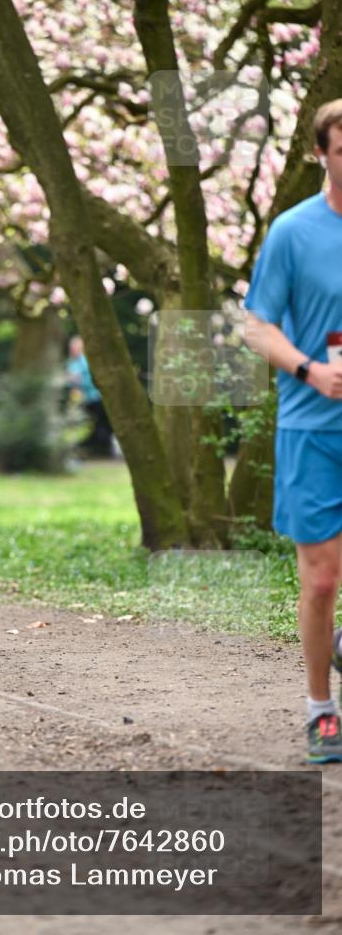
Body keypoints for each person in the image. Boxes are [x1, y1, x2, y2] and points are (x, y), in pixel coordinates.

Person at [245, 98, 342, 763]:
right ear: (321, 155)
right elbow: (256, 324)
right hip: (313, 424)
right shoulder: (291, 231)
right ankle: (320, 709)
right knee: (319, 580)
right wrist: (309, 370)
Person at [66, 335, 115, 457]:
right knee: (89, 426)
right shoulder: (71, 362)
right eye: (72, 347)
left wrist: (77, 380)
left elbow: (90, 379)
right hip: (83, 399)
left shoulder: (85, 361)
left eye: (76, 347)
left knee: (100, 426)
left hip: (96, 398)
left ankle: (103, 450)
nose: (73, 349)